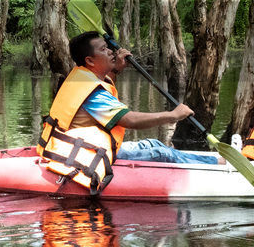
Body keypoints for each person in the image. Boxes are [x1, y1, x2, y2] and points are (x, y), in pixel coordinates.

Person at [36, 32, 196, 193]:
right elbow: (129, 120)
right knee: (162, 154)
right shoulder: (93, 93)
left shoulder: (83, 76)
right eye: (104, 49)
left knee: (154, 144)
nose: (111, 51)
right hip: (79, 154)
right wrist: (173, 115)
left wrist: (116, 69)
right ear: (90, 60)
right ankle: (216, 168)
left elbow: (104, 81)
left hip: (82, 146)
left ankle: (216, 161)